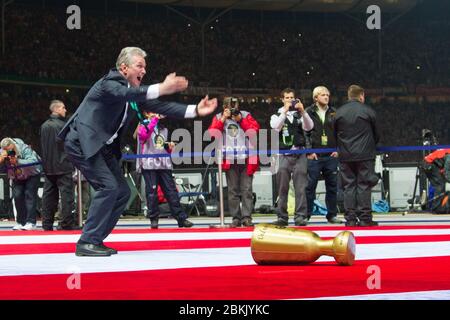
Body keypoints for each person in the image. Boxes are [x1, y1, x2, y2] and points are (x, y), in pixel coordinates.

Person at [58, 47, 217, 256]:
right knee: (108, 187)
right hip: (82, 142)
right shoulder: (109, 83)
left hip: (102, 147)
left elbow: (160, 107)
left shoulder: (133, 92)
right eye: (139, 66)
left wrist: (194, 110)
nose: (143, 71)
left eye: (145, 67)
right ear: (123, 68)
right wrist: (162, 87)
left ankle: (94, 239)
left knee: (122, 192)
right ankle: (86, 241)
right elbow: (125, 93)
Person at [208, 97, 260, 227]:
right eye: (229, 105)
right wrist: (223, 119)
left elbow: (254, 130)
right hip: (229, 159)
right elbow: (212, 133)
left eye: (234, 105)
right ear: (224, 106)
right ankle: (236, 218)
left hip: (246, 158)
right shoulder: (219, 116)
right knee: (232, 191)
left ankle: (247, 217)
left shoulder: (245, 115)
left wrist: (240, 120)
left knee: (247, 190)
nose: (232, 108)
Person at [136, 111, 193, 229]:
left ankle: (181, 218)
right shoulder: (143, 125)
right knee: (152, 193)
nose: (156, 114)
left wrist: (169, 147)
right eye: (152, 112)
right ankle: (153, 218)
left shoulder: (163, 128)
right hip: (149, 164)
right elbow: (143, 136)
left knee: (171, 191)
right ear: (146, 114)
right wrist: (154, 120)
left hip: (163, 164)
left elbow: (160, 146)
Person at [334, 85, 380, 227]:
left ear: (349, 96)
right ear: (361, 96)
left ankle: (350, 219)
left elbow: (335, 135)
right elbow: (377, 134)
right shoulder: (368, 111)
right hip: (365, 155)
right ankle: (365, 219)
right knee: (364, 185)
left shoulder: (339, 112)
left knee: (348, 186)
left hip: (346, 155)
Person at [270, 88, 314, 226]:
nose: (290, 100)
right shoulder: (276, 115)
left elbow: (309, 127)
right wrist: (285, 111)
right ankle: (282, 217)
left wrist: (303, 111)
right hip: (283, 154)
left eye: (292, 97)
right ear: (282, 99)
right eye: (287, 98)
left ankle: (300, 216)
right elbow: (276, 127)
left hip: (300, 154)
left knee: (300, 187)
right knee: (282, 188)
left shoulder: (299, 115)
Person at [305, 86, 342, 225]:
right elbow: (305, 133)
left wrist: (338, 149)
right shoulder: (308, 112)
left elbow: (340, 132)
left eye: (327, 95)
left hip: (331, 155)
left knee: (332, 186)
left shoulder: (334, 112)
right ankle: (306, 214)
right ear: (315, 98)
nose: (326, 97)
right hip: (314, 155)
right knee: (310, 186)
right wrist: (309, 151)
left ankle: (332, 215)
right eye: (323, 95)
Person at [40, 100, 79, 231]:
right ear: (56, 109)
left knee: (49, 197)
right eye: (63, 108)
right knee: (67, 196)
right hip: (63, 165)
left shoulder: (44, 125)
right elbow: (69, 145)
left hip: (48, 167)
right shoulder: (63, 125)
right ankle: (66, 223)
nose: (65, 110)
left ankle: (46, 223)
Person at [0, 138, 42, 230]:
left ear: (13, 145)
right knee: (18, 196)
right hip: (17, 176)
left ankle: (31, 222)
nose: (10, 152)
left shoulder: (24, 148)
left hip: (32, 174)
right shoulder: (2, 152)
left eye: (11, 149)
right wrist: (1, 159)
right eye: (8, 150)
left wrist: (18, 161)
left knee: (29, 195)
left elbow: (33, 161)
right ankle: (20, 222)